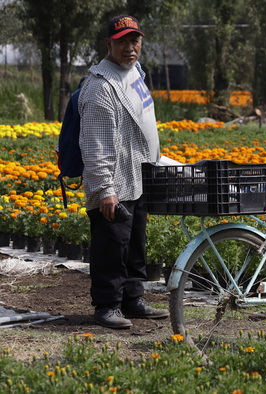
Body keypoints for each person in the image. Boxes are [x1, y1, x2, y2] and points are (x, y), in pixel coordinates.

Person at [79, 15, 169, 329]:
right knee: (110, 246)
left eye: (135, 41)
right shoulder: (100, 87)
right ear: (109, 44)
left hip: (137, 176)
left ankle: (133, 299)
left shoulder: (134, 73)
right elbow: (95, 145)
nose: (130, 48)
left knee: (135, 244)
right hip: (113, 182)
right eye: (122, 42)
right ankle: (107, 306)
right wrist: (105, 190)